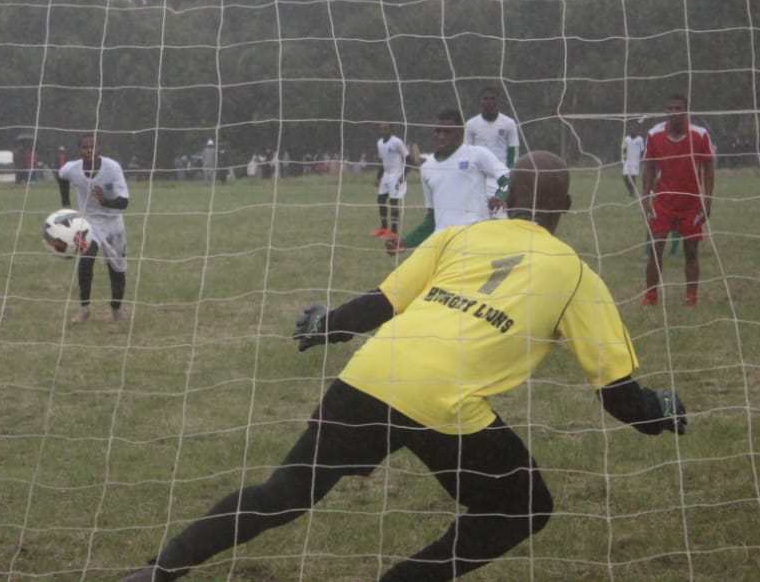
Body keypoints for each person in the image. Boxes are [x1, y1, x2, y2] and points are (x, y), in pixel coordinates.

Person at [121, 151, 687, 582]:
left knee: (284, 491)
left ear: (504, 197)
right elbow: (617, 395)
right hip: (444, 402)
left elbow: (382, 302)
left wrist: (328, 325)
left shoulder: (459, 236)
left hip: (373, 371)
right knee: (524, 506)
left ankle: (158, 570)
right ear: (566, 207)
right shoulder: (578, 276)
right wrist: (659, 412)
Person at [385, 108, 508, 255]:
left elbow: (508, 178)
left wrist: (500, 196)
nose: (441, 136)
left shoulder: (477, 155)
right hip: (442, 244)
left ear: (460, 132)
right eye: (438, 131)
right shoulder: (427, 168)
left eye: (447, 132)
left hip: (474, 241)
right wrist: (406, 242)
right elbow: (432, 219)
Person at [640, 94, 714, 308]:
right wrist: (646, 199)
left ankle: (691, 298)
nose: (673, 112)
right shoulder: (654, 134)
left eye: (678, 108)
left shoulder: (700, 135)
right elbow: (648, 168)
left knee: (691, 251)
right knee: (656, 246)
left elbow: (709, 169)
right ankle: (650, 297)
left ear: (686, 111)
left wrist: (707, 201)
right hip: (663, 202)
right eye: (669, 108)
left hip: (690, 204)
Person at [57, 133, 131, 324]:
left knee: (117, 269)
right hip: (89, 222)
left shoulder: (113, 168)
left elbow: (124, 202)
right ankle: (84, 309)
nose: (89, 150)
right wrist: (66, 203)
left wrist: (105, 200)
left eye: (93, 147)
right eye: (85, 147)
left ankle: (116, 310)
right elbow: (61, 175)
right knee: (86, 258)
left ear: (99, 149)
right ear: (79, 150)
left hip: (113, 222)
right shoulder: (72, 169)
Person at [465, 85, 520, 217]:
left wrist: (510, 174)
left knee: (500, 214)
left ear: (497, 101)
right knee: (478, 216)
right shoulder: (471, 124)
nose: (489, 101)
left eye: (492, 98)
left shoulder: (509, 123)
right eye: (485, 98)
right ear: (480, 101)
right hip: (479, 176)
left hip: (499, 177)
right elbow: (466, 151)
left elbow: (514, 151)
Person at [372, 122, 412, 238]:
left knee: (393, 202)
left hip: (396, 174)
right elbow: (382, 161)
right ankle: (384, 228)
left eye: (385, 128)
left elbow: (408, 159)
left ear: (390, 130)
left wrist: (404, 174)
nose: (383, 131)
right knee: (380, 200)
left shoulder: (397, 142)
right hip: (386, 175)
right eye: (381, 129)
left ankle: (394, 231)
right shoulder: (379, 143)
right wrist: (378, 178)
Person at [622, 118, 646, 197]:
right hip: (628, 161)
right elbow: (624, 148)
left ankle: (632, 192)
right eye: (631, 129)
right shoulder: (627, 139)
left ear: (637, 130)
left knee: (633, 177)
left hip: (635, 161)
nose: (633, 130)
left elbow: (642, 150)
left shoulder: (640, 139)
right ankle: (630, 189)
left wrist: (642, 159)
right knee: (625, 177)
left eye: (634, 129)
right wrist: (624, 156)